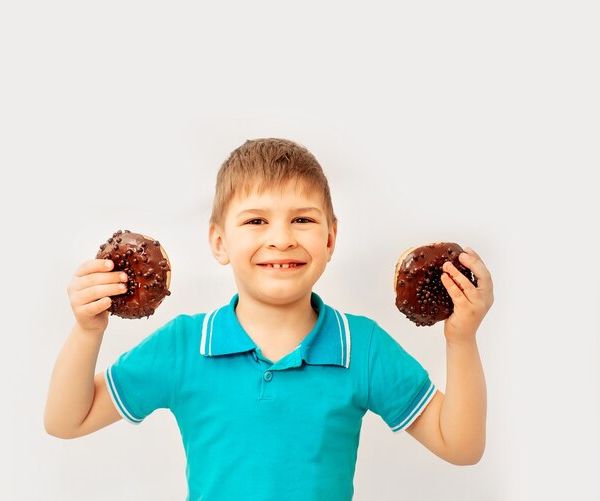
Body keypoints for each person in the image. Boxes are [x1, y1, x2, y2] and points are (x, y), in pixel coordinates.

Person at [44, 138, 494, 500]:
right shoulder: (184, 345)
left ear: (331, 238)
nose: (281, 239)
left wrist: (461, 339)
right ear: (219, 242)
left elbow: (460, 446)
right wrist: (88, 330)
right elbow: (68, 420)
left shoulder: (363, 346)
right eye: (256, 221)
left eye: (302, 219)